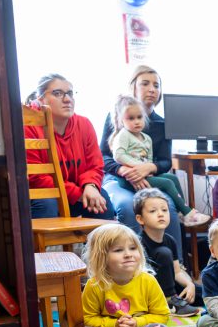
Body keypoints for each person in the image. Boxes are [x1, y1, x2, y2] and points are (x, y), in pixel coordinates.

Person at [99, 65, 186, 257]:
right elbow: (103, 157)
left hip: (149, 181)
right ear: (133, 87)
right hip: (118, 179)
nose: (152, 89)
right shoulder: (115, 117)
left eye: (156, 85)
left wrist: (148, 167)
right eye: (145, 83)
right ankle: (136, 268)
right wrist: (124, 170)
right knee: (129, 208)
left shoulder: (163, 123)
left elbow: (165, 162)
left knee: (167, 209)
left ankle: (176, 267)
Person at [80, 224, 175, 327]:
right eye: (118, 250)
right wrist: (115, 325)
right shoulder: (95, 285)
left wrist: (136, 323)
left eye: (132, 248)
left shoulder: (148, 280)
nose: (128, 254)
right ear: (101, 257)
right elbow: (86, 319)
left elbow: (162, 315)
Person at [25, 74, 115, 220]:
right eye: (58, 93)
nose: (67, 99)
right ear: (40, 98)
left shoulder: (84, 124)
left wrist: (90, 186)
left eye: (70, 93)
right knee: (47, 203)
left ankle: (102, 243)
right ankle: (42, 243)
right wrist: (77, 193)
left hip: (78, 190)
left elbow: (95, 165)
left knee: (101, 199)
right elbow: (36, 177)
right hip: (43, 193)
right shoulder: (29, 125)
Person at [109, 95, 204, 227]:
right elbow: (118, 155)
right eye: (131, 118)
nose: (136, 121)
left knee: (172, 178)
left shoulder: (147, 138)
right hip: (127, 178)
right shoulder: (124, 135)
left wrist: (148, 169)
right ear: (121, 121)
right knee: (167, 183)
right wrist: (139, 167)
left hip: (144, 174)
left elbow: (149, 158)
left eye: (139, 117)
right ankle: (188, 214)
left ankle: (182, 213)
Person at [133, 189, 202, 316]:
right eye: (153, 211)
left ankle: (175, 298)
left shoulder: (170, 240)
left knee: (202, 293)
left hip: (170, 284)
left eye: (164, 210)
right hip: (150, 291)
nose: (160, 214)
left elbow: (177, 272)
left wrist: (189, 284)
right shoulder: (137, 243)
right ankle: (170, 302)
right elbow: (141, 278)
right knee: (164, 253)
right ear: (140, 219)